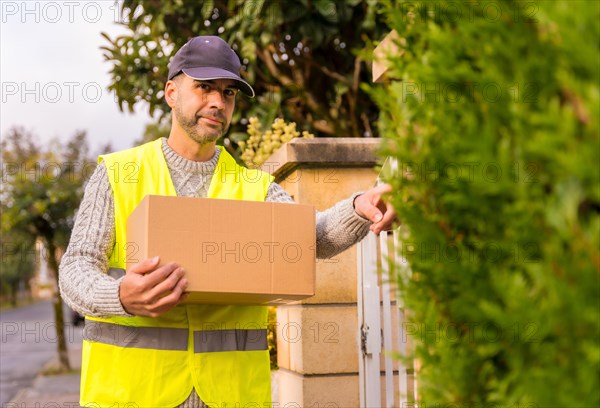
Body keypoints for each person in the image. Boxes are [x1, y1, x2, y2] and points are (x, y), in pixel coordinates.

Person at [59, 36, 395, 408]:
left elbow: (308, 240)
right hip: (133, 394)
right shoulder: (118, 175)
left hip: (230, 395)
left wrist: (359, 207)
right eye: (204, 88)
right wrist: (119, 296)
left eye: (229, 92)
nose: (218, 102)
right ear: (171, 92)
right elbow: (75, 269)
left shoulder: (255, 187)